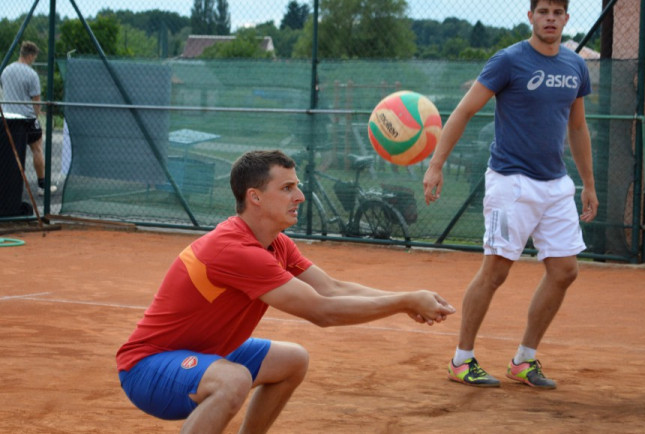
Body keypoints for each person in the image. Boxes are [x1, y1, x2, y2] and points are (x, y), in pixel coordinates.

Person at [116, 150, 456, 433]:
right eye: (288, 188)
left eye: (298, 186)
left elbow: (332, 288)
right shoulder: (234, 249)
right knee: (233, 380)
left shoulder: (275, 243)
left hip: (203, 354)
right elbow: (324, 312)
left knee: (292, 360)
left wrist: (409, 296)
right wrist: (404, 302)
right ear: (255, 197)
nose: (300, 196)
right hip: (147, 367)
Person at [422, 0, 598, 389]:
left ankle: (524, 360)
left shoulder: (575, 66)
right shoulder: (508, 61)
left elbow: (578, 128)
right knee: (496, 271)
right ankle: (461, 359)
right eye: (543, 11)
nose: (550, 18)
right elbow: (465, 111)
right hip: (511, 183)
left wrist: (588, 183)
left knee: (565, 271)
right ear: (530, 16)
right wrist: (436, 164)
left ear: (567, 19)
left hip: (556, 184)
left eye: (557, 12)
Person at [1, 40, 56, 195]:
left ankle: (8, 186)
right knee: (37, 149)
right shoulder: (31, 74)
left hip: (8, 118)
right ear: (31, 55)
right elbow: (36, 101)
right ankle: (42, 186)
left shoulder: (6, 70)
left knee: (10, 152)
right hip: (27, 119)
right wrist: (37, 115)